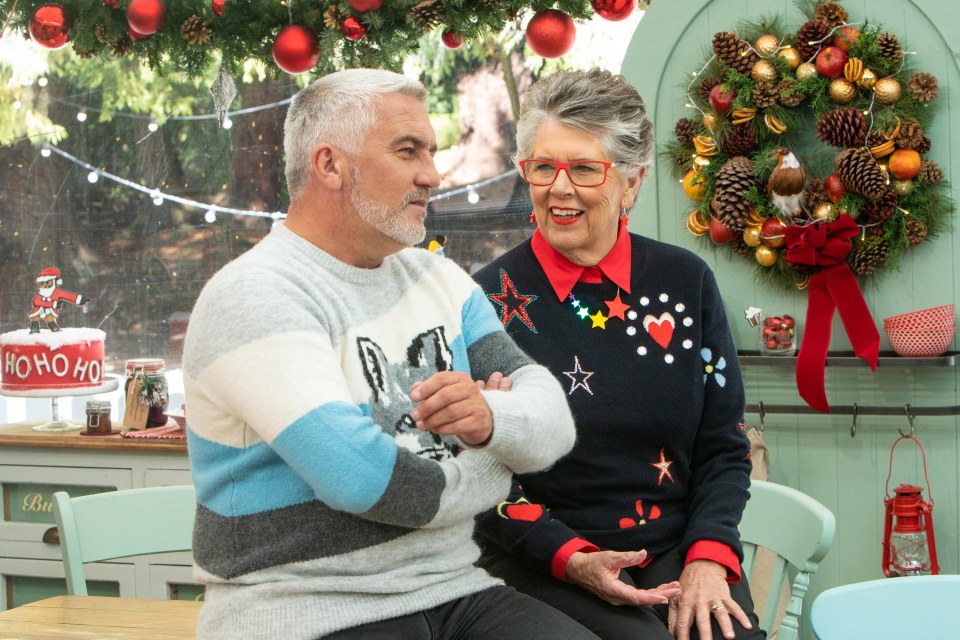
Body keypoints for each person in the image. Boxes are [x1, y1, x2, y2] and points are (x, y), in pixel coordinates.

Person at [182, 69, 602, 640]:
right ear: (329, 165)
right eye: (408, 151)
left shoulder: (438, 279)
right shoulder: (255, 296)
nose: (431, 175)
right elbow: (365, 481)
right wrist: (493, 461)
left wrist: (488, 418)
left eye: (430, 151)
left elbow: (554, 424)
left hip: (454, 588)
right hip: (301, 608)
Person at [473, 68, 764, 640]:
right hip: (544, 558)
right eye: (543, 166)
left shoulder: (686, 283)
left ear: (631, 182)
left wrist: (708, 557)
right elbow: (480, 474)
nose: (560, 188)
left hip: (677, 549)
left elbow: (724, 448)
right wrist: (573, 557)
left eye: (584, 168)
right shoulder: (485, 301)